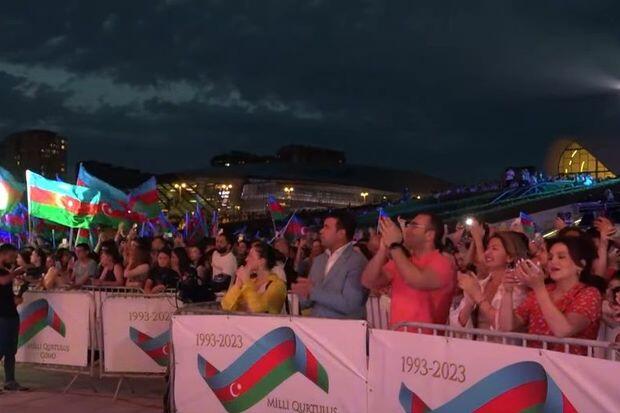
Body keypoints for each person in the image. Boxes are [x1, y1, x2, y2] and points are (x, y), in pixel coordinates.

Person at [498, 236, 603, 355]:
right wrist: (507, 292)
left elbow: (564, 330)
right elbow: (507, 326)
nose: (553, 262)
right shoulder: (543, 290)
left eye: (561, 257)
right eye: (550, 257)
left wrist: (539, 288)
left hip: (570, 365)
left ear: (581, 265)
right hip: (536, 363)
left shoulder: (590, 293)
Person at [361, 213, 456, 329]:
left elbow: (417, 280)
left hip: (427, 338)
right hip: (398, 335)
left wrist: (394, 245)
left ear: (429, 235)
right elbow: (368, 281)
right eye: (408, 225)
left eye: (414, 226)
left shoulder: (443, 262)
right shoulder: (403, 261)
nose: (406, 229)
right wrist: (382, 250)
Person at [292, 212, 368, 319]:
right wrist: (302, 293)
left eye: (326, 227)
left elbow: (350, 305)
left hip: (343, 328)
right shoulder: (319, 260)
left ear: (341, 233)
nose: (321, 231)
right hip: (315, 326)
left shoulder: (356, 261)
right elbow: (307, 302)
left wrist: (313, 291)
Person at [451, 231, 529, 331]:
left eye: (494, 248)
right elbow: (456, 325)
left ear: (509, 257)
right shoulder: (480, 284)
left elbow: (504, 326)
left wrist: (478, 297)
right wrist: (470, 302)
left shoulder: (518, 287)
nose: (487, 253)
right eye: (487, 248)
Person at [221, 242, 286, 314]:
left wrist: (246, 281)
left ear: (262, 261)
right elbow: (226, 307)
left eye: (251, 256)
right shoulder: (251, 281)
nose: (246, 259)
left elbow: (259, 311)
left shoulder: (277, 285)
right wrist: (237, 284)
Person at [0, 243, 29, 391]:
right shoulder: (5, 273)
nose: (13, 260)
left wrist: (15, 299)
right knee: (2, 348)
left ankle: (10, 381)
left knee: (11, 350)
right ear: (3, 254)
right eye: (11, 256)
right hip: (2, 316)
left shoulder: (6, 271)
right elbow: (3, 281)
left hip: (11, 313)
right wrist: (16, 271)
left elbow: (6, 290)